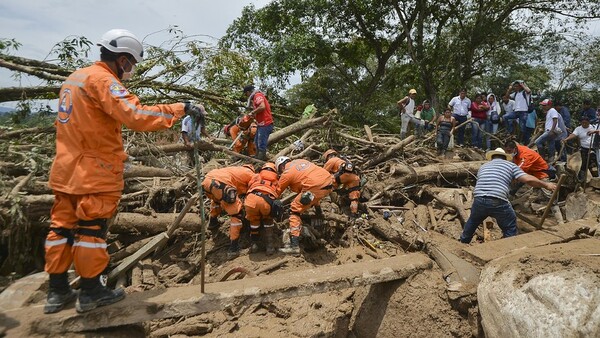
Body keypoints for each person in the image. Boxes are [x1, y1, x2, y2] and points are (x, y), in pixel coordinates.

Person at [44, 29, 196, 314]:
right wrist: (180, 108)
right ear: (123, 60)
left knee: (61, 229)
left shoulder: (74, 78)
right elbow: (136, 115)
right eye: (131, 65)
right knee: (91, 230)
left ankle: (57, 291)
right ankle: (90, 292)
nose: (130, 71)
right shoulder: (103, 80)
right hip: (94, 171)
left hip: (65, 170)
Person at [459, 148, 556, 243]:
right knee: (510, 224)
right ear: (505, 158)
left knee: (473, 220)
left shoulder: (483, 166)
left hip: (479, 198)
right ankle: (508, 246)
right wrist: (546, 185)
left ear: (492, 157)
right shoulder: (510, 165)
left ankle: (463, 241)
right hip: (497, 199)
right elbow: (527, 179)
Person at [276, 156, 334, 254]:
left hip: (313, 186)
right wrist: (317, 208)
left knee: (294, 211)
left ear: (281, 167)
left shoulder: (286, 173)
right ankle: (319, 213)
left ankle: (294, 246)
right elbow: (313, 188)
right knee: (311, 195)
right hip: (328, 182)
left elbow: (277, 192)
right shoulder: (301, 161)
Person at [202, 164, 255, 259]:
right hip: (221, 184)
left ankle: (212, 222)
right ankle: (233, 249)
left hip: (207, 181)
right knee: (236, 215)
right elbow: (254, 189)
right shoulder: (250, 173)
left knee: (217, 200)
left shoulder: (234, 170)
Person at [244, 162, 281, 255]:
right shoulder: (276, 179)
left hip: (251, 200)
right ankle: (270, 247)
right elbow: (278, 192)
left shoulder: (256, 176)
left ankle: (254, 245)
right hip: (266, 202)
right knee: (268, 221)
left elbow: (249, 185)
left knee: (253, 223)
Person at [322, 149, 362, 216]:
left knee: (329, 182)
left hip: (343, 176)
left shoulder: (331, 160)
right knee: (354, 197)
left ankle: (330, 200)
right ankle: (354, 213)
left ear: (328, 156)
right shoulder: (342, 161)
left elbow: (323, 172)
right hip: (354, 178)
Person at [243, 85, 274, 160]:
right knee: (256, 142)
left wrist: (252, 112)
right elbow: (259, 111)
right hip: (261, 124)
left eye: (246, 94)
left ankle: (260, 161)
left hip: (265, 123)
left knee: (261, 144)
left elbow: (262, 107)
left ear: (248, 92)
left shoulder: (257, 95)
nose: (246, 96)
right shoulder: (255, 98)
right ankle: (258, 158)